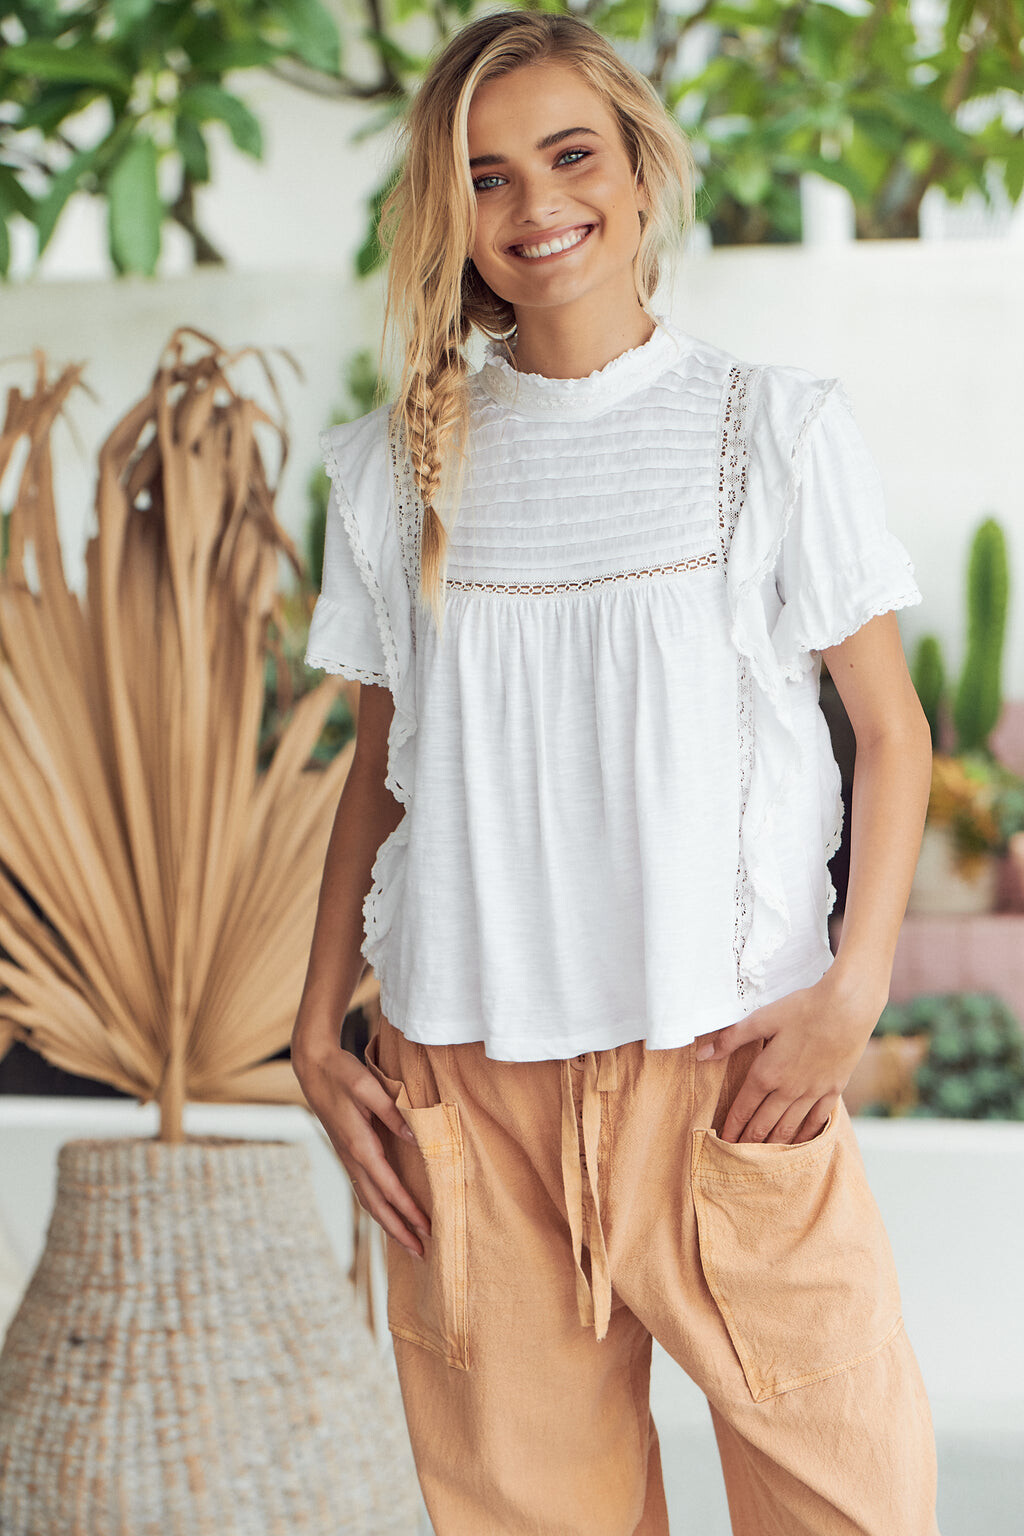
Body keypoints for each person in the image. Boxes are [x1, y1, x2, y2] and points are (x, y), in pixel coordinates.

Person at [290, 10, 941, 1534]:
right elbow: (379, 770)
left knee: (854, 1502)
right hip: (462, 1083)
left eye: (570, 155)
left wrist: (852, 991)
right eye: (487, 176)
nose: (537, 204)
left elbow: (894, 731)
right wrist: (317, 1028)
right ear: (449, 213)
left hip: (727, 1073)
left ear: (642, 170)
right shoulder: (388, 470)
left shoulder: (773, 430)